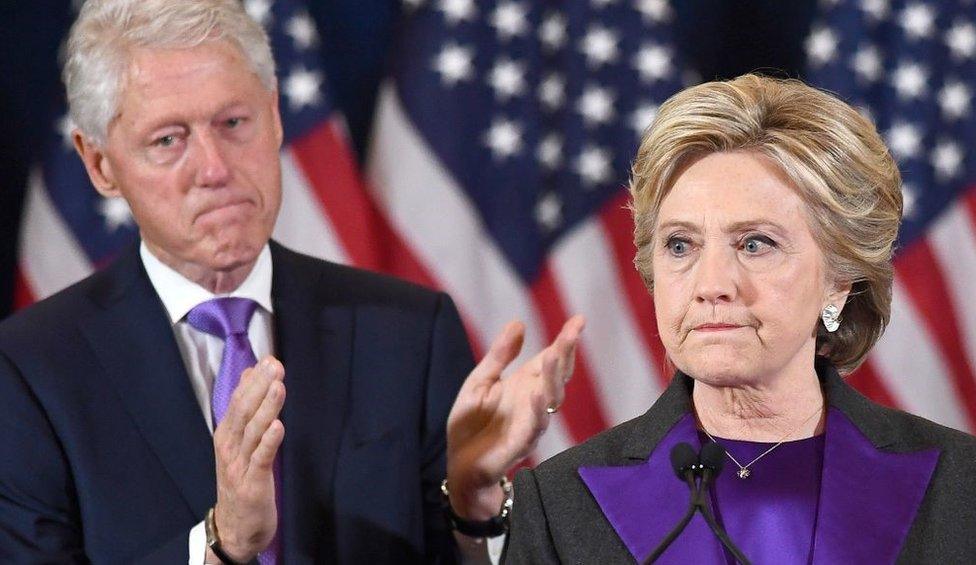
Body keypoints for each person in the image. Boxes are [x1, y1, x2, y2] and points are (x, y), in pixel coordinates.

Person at [0, 1, 583, 563]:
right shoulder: (30, 371)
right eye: (168, 140)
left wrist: (473, 500)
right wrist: (219, 546)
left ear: (275, 117)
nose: (214, 168)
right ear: (100, 165)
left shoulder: (408, 333)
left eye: (233, 123)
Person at [503, 74, 976, 563]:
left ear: (840, 279)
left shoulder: (962, 487)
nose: (711, 285)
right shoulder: (560, 505)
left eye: (755, 244)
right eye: (680, 245)